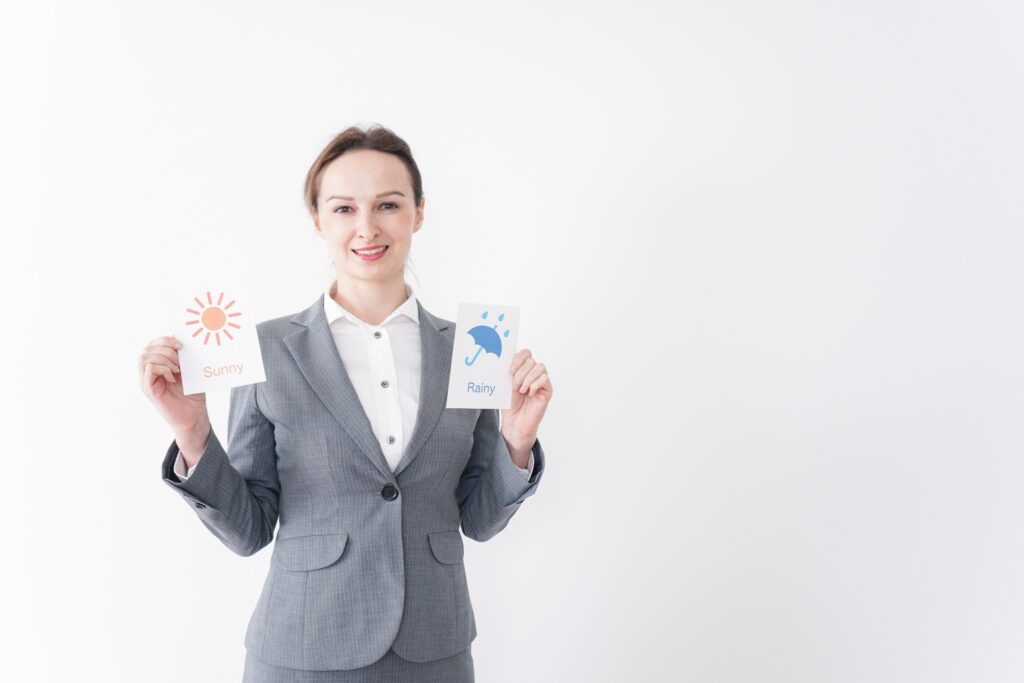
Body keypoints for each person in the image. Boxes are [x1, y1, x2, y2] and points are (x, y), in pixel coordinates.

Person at [138, 124, 552, 682]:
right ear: (317, 220)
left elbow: (477, 520)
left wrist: (516, 443)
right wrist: (193, 433)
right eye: (342, 209)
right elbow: (249, 529)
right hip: (305, 650)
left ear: (419, 213)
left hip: (435, 652)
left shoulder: (470, 350)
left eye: (387, 204)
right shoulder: (266, 350)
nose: (366, 228)